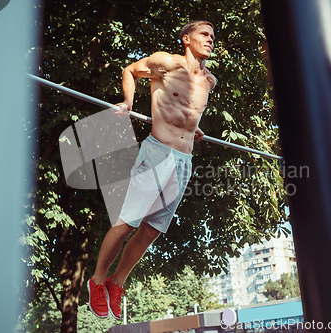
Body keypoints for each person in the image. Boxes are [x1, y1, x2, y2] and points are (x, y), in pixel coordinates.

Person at [88, 20, 216, 321]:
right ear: (187, 39)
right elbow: (130, 70)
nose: (210, 40)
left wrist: (194, 129)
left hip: (184, 161)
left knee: (151, 231)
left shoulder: (210, 81)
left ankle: (116, 283)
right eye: (204, 35)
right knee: (128, 222)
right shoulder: (167, 64)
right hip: (157, 152)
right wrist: (128, 101)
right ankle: (96, 280)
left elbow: (189, 113)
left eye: (213, 36)